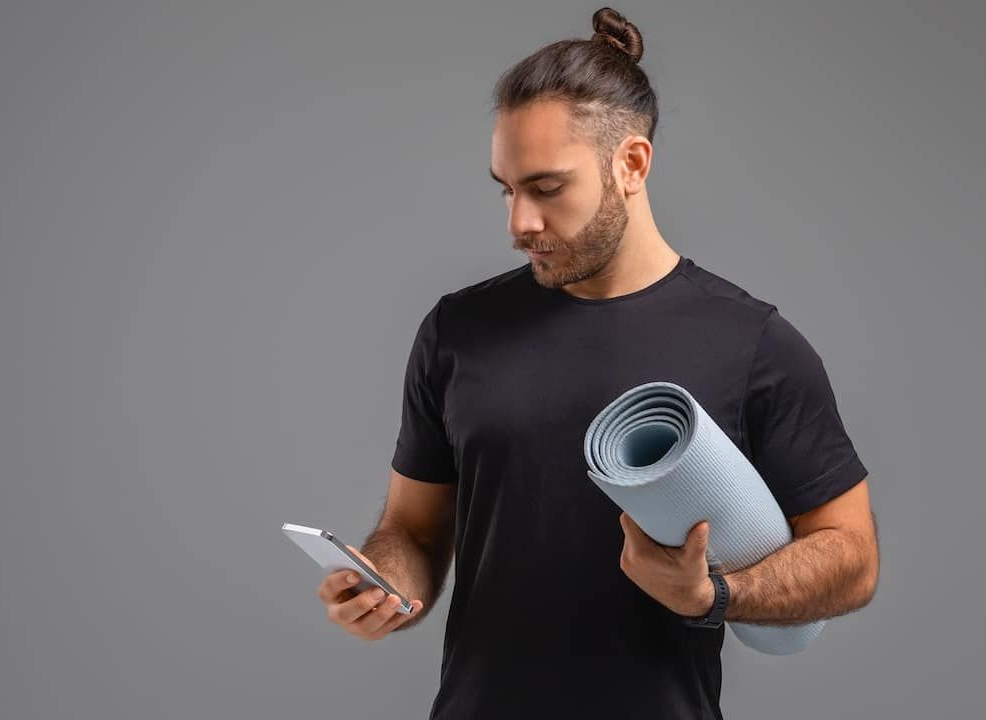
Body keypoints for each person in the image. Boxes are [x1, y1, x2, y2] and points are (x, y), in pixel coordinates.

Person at [315, 7, 880, 719]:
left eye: (547, 188)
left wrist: (714, 595)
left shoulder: (752, 344)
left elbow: (852, 557)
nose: (519, 223)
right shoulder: (458, 331)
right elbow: (415, 531)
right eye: (507, 188)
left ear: (631, 164)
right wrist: (381, 581)